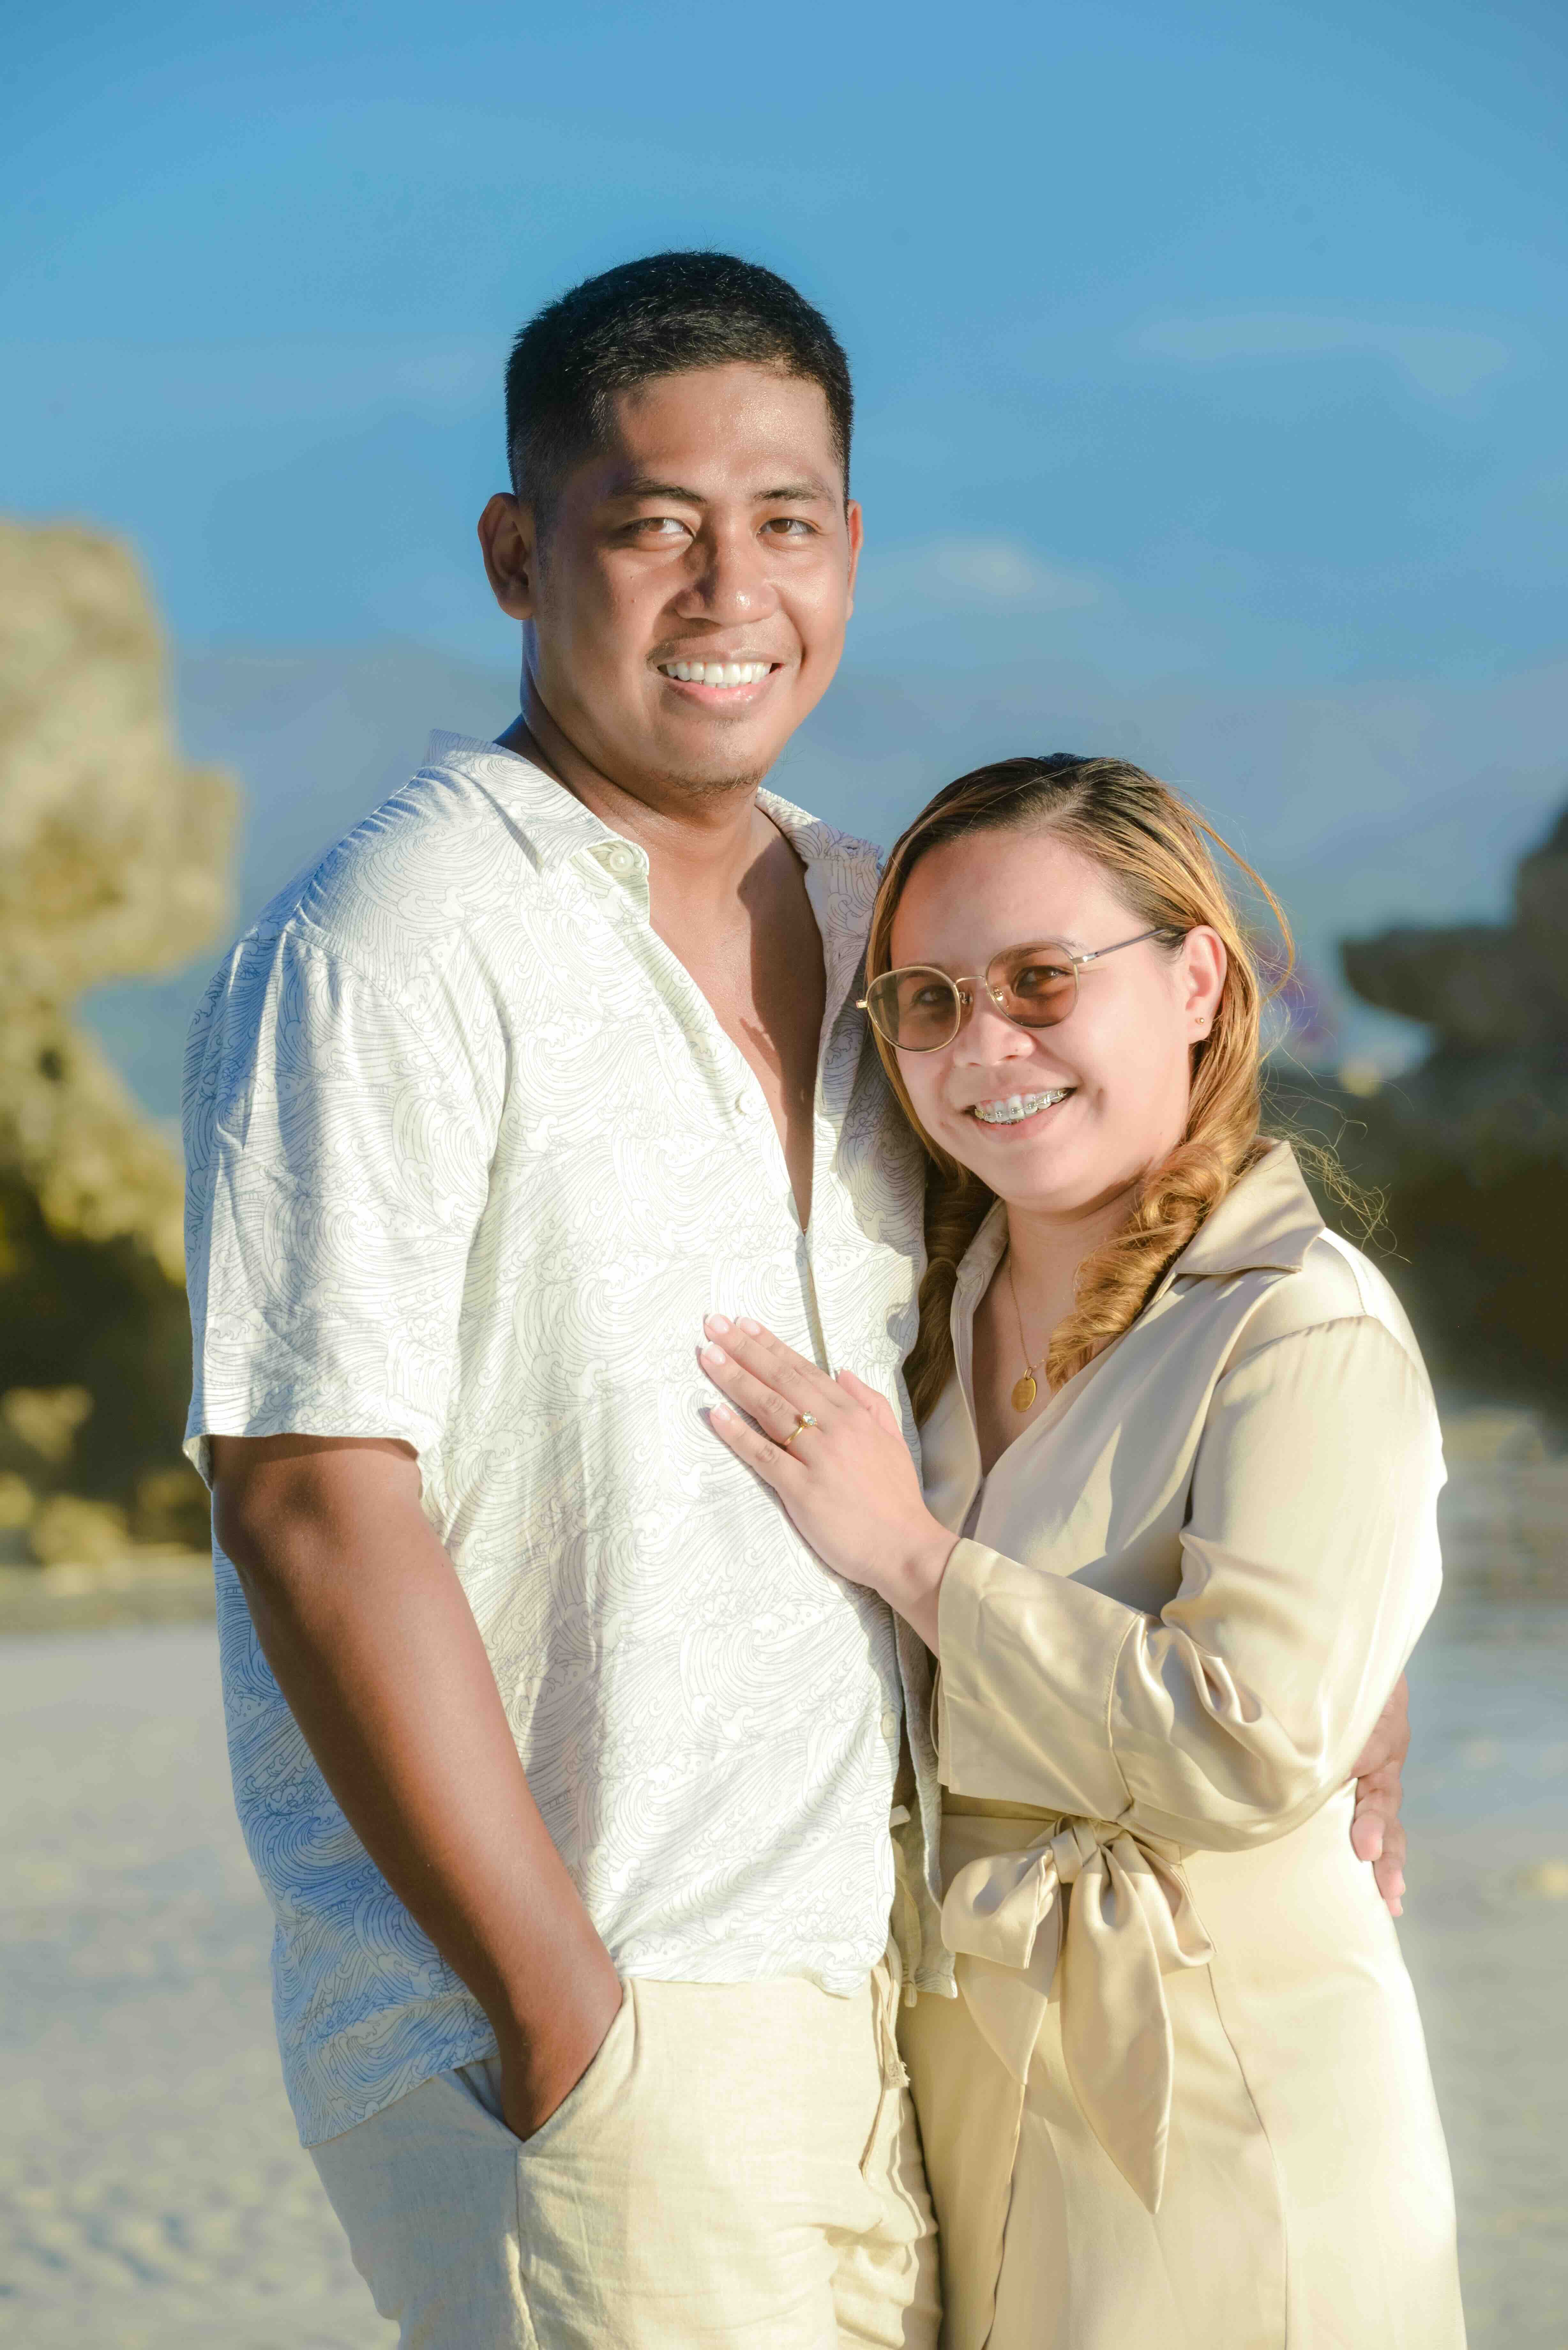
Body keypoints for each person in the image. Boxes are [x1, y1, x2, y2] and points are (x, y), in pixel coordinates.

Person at [182, 253, 1410, 2349]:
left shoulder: (888, 934)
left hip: (907, 2000)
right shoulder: (392, 943)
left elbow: (1125, 1274)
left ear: (851, 549)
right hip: (593, 2015)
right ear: (516, 555)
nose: (728, 590)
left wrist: (1340, 1639)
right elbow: (309, 1491)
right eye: (651, 525)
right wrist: (560, 2012)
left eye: (786, 523)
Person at [697, 754, 1463, 2350]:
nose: (986, 1046)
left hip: (1224, 2111)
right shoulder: (920, 1314)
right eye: (926, 1001)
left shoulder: (1300, 1325)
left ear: (1196, 982)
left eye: (1042, 980)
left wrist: (916, 1561)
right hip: (971, 2108)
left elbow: (1247, 1744)